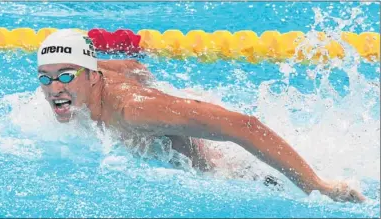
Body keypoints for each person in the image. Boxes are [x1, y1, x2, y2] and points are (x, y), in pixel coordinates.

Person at [36, 29, 366, 203]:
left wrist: (316, 186)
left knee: (254, 178)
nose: (53, 89)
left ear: (93, 77)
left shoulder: (133, 111)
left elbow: (243, 125)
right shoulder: (87, 79)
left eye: (65, 77)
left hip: (223, 170)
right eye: (45, 78)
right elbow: (136, 68)